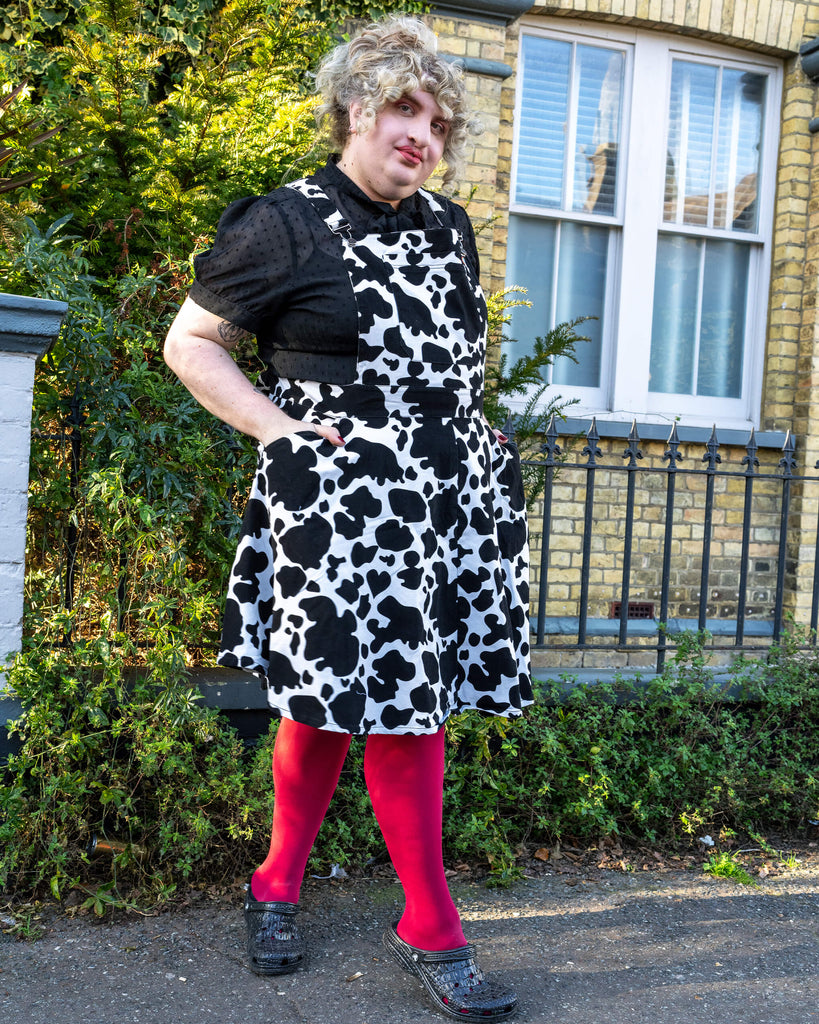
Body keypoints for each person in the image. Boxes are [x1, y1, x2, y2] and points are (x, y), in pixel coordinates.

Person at [163, 15, 532, 1022]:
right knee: (326, 697)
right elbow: (193, 345)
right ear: (358, 109)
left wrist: (479, 431)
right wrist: (279, 432)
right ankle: (331, 897)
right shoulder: (283, 222)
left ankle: (363, 905)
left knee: (415, 700)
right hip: (335, 497)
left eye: (440, 121)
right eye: (406, 109)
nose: (424, 135)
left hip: (443, 495)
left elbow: (443, 366)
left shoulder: (449, 227)